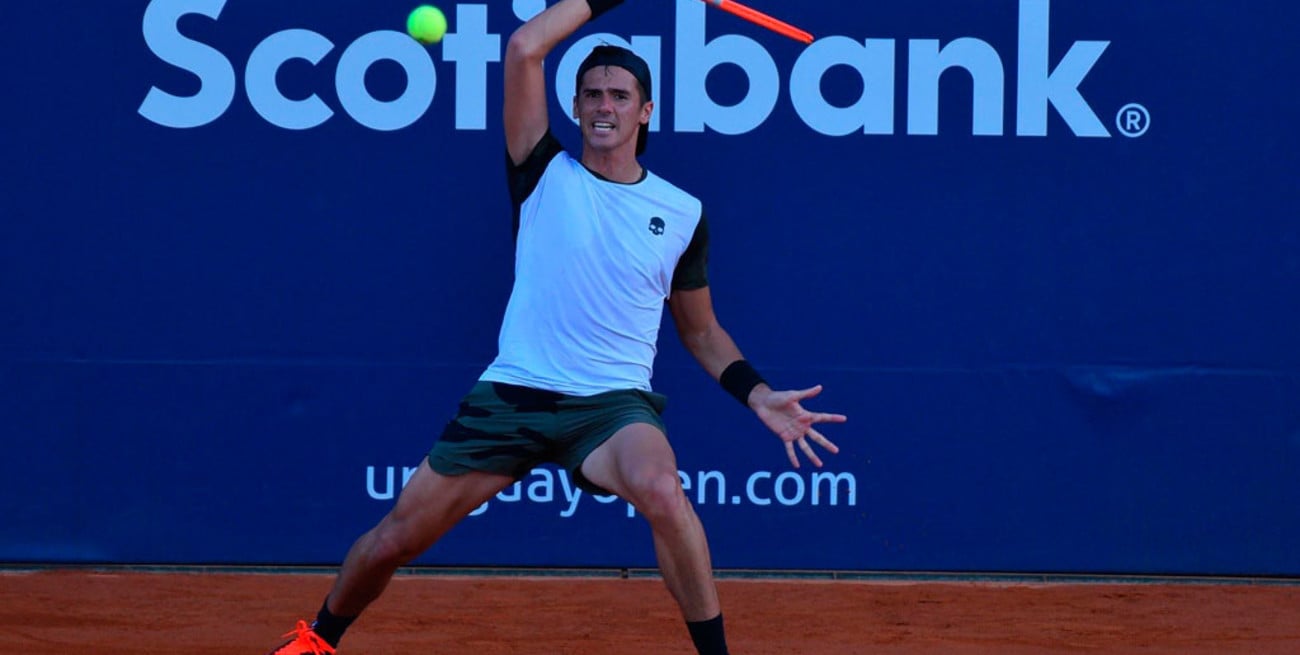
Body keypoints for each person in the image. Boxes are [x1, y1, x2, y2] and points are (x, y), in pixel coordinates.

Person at [266, 0, 845, 653]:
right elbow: (524, 48)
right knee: (395, 539)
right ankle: (319, 637)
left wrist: (757, 393)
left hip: (611, 408)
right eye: (592, 94)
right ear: (574, 107)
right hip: (514, 394)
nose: (604, 105)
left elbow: (702, 332)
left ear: (645, 112)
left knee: (662, 488)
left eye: (620, 96)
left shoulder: (681, 212)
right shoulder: (541, 172)